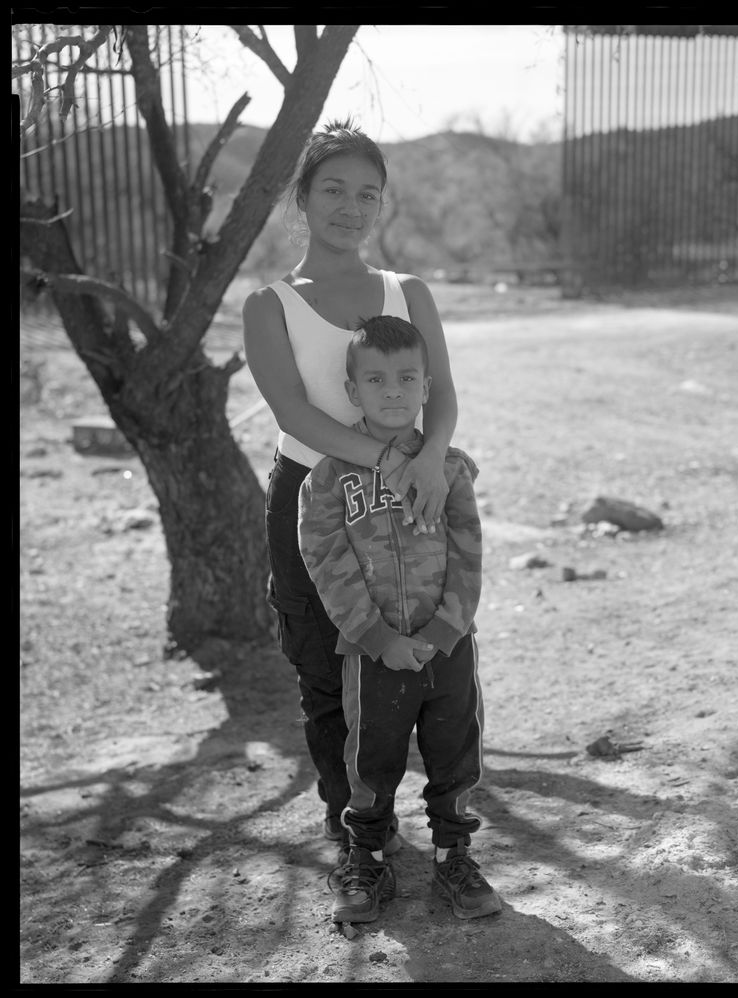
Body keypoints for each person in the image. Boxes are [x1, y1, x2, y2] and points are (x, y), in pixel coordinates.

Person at [242, 119, 459, 860]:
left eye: (368, 194)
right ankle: (359, 838)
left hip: (409, 502)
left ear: (382, 206)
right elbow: (294, 413)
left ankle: (437, 826)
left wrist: (426, 461)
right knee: (325, 669)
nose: (351, 206)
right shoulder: (269, 304)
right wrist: (387, 460)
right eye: (333, 189)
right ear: (302, 197)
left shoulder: (409, 292)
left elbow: (444, 396)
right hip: (313, 497)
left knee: (412, 663)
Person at [298, 315, 501, 924]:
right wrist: (378, 638)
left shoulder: (452, 469)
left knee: (455, 748)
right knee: (371, 756)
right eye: (377, 379)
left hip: (447, 646)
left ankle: (453, 854)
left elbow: (469, 551)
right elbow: (325, 561)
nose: (392, 391)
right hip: (375, 650)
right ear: (354, 392)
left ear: (426, 387)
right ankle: (364, 857)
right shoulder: (328, 479)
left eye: (407, 378)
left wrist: (444, 630)